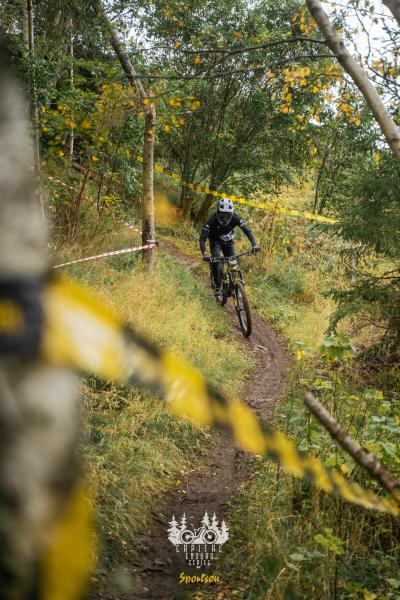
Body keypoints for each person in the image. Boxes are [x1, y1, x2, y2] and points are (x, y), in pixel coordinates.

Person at [199, 198, 260, 295]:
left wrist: (254, 244)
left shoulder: (235, 217)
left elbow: (247, 230)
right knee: (216, 262)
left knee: (233, 263)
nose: (225, 218)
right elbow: (203, 237)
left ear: (231, 214)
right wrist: (204, 253)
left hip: (228, 242)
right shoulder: (212, 219)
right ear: (218, 212)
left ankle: (236, 286)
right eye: (222, 214)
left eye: (227, 215)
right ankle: (218, 286)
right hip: (215, 242)